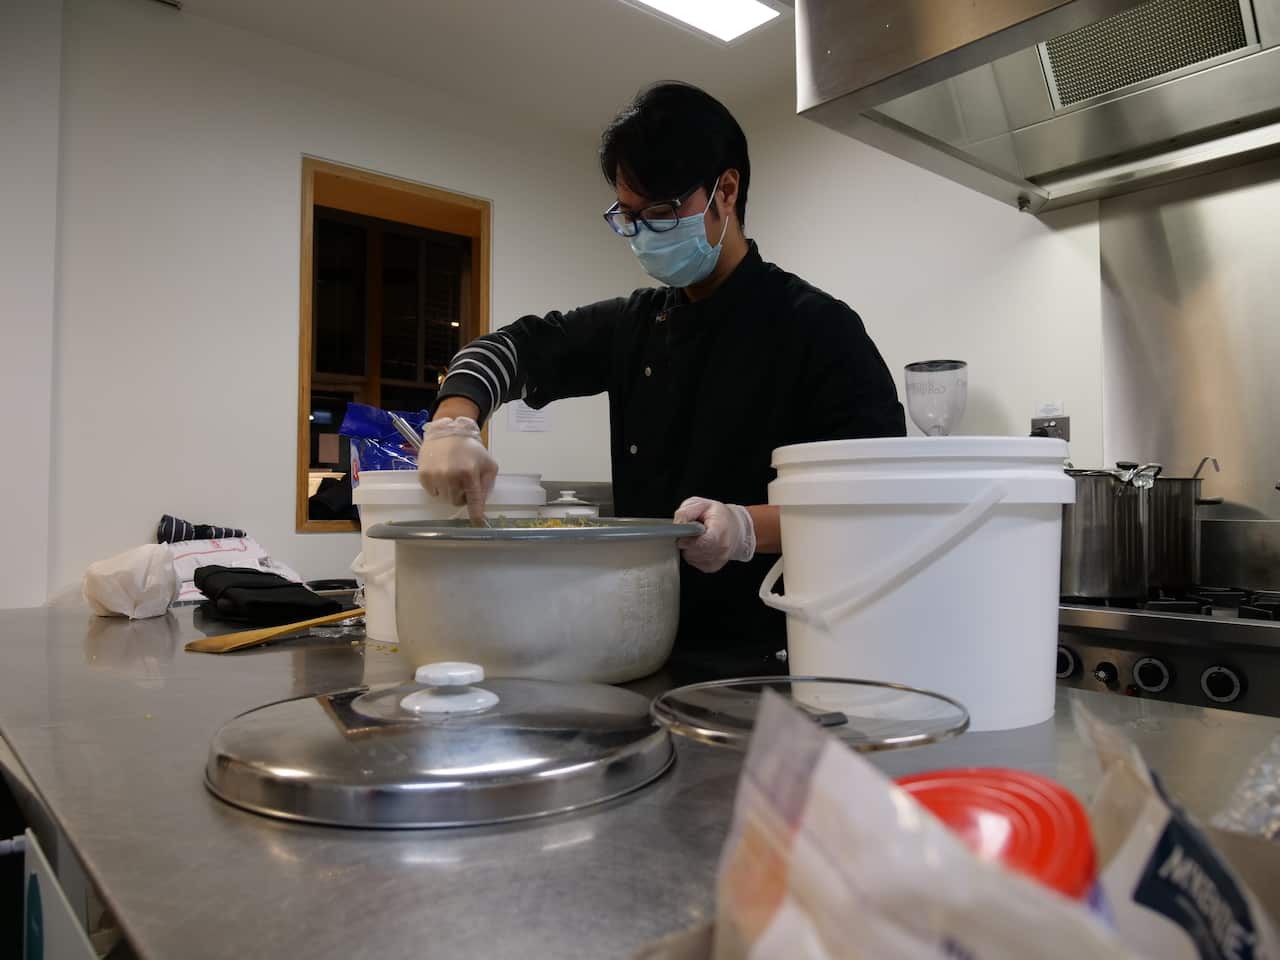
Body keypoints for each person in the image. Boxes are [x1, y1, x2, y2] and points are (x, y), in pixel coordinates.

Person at [419, 82, 905, 678]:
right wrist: (454, 422)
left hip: (782, 658)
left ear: (725, 192)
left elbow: (874, 508)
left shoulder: (818, 329)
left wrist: (748, 528)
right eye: (628, 215)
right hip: (647, 648)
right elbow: (513, 347)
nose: (643, 233)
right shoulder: (637, 323)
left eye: (660, 212)